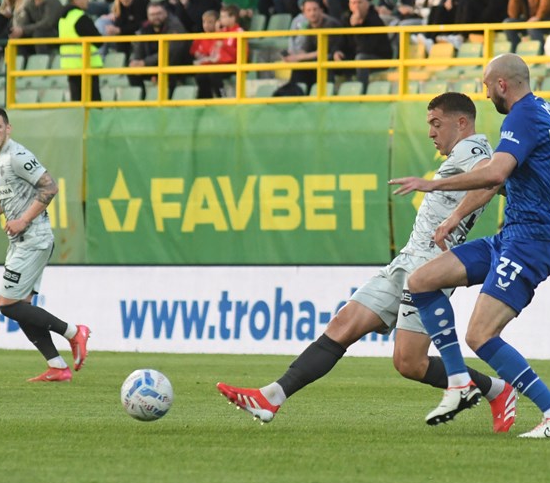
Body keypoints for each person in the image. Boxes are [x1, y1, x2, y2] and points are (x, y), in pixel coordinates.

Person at [217, 92, 519, 432]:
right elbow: (499, 183)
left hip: (430, 268)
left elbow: (491, 178)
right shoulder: (468, 157)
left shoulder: (473, 149)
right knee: (343, 325)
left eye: (437, 123)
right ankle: (271, 396)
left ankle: (498, 390)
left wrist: (455, 217)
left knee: (409, 363)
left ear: (461, 123)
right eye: (429, 125)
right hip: (407, 259)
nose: (431, 133)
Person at [389, 54, 550, 438]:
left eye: (486, 86)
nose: (485, 95)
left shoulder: (521, 116)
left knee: (480, 335)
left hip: (529, 242)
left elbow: (496, 173)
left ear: (502, 84)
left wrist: (432, 184)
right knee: (421, 281)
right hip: (513, 235)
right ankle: (459, 382)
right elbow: (530, 184)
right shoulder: (547, 112)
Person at [0, 108, 90, 381]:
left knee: (7, 305)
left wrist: (24, 220)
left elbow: (50, 187)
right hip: (20, 240)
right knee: (22, 308)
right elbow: (0, 203)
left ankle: (74, 332)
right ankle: (57, 366)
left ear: (8, 128)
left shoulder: (18, 156)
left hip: (34, 238)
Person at [58, 0, 102, 101]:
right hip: (86, 64)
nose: (88, 0)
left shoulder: (63, 19)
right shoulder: (80, 17)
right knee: (93, 102)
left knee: (77, 102)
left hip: (71, 66)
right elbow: (98, 40)